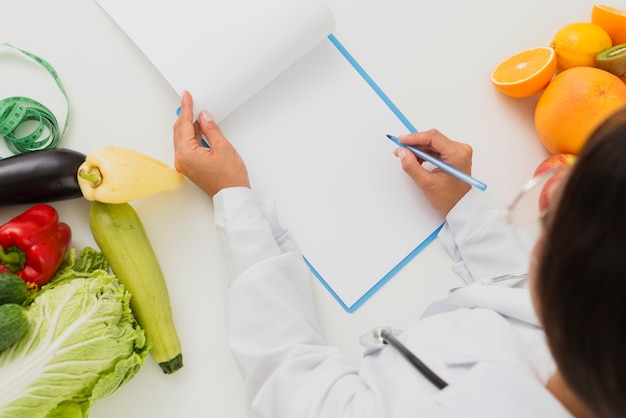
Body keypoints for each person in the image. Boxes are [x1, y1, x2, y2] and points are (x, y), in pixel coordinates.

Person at [173, 89, 626, 417]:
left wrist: (235, 202)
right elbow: (523, 295)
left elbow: (287, 381)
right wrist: (463, 205)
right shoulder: (597, 343)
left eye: (553, 214)